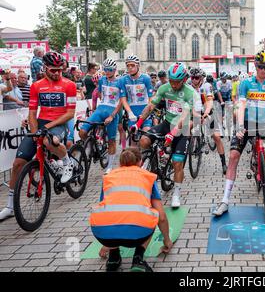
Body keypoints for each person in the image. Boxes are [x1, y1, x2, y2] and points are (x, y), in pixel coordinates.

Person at [0, 52, 77, 221]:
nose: (57, 73)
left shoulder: (69, 84)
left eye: (59, 70)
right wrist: (35, 133)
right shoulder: (36, 86)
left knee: (50, 142)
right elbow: (33, 113)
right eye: (53, 70)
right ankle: (10, 206)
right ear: (45, 68)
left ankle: (67, 162)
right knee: (18, 163)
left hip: (59, 122)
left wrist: (47, 127)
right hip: (41, 122)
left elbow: (70, 113)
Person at [212, 50, 265, 216]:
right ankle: (225, 200)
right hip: (247, 123)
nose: (263, 70)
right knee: (233, 156)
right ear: (255, 66)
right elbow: (241, 105)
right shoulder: (246, 83)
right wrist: (240, 126)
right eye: (260, 66)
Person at [90, 148, 173, 272]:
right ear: (140, 162)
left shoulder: (108, 177)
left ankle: (114, 258)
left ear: (120, 163)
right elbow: (161, 217)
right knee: (151, 214)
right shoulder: (147, 177)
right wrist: (167, 240)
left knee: (112, 214)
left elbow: (106, 209)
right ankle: (138, 259)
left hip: (103, 234)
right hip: (137, 234)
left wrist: (106, 242)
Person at [134, 62, 202, 208]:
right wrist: (138, 123)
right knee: (144, 140)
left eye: (176, 82)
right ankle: (152, 163)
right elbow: (151, 106)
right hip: (167, 123)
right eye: (171, 81)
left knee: (177, 163)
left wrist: (172, 134)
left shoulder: (191, 93)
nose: (173, 84)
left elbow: (184, 117)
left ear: (184, 80)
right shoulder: (164, 88)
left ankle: (176, 193)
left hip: (182, 128)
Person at [79, 59, 123, 174]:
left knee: (112, 141)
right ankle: (92, 147)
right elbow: (99, 94)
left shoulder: (120, 82)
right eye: (105, 69)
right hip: (100, 109)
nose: (107, 72)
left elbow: (121, 102)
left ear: (114, 70)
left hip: (112, 111)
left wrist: (112, 116)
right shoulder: (102, 79)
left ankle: (109, 166)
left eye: (110, 70)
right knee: (82, 132)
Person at [189, 67, 228, 175]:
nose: (194, 80)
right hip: (194, 112)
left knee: (216, 137)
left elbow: (210, 102)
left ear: (201, 78)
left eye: (196, 78)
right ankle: (190, 145)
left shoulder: (207, 86)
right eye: (192, 78)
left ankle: (224, 163)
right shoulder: (188, 86)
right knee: (186, 128)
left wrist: (206, 114)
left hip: (207, 111)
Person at [119, 55, 154, 148]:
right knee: (133, 143)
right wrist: (129, 112)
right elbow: (123, 98)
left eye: (132, 65)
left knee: (146, 137)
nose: (130, 68)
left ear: (138, 66)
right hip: (132, 113)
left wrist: (148, 111)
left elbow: (151, 98)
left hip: (145, 111)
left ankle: (150, 157)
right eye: (128, 65)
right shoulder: (123, 80)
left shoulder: (146, 78)